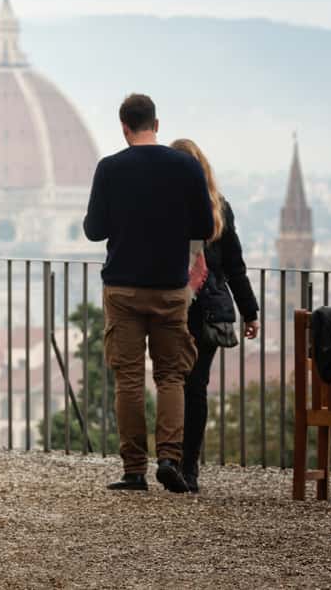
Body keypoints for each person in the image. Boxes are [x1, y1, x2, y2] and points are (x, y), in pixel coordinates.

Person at [83, 94, 214, 493]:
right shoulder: (187, 166)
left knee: (129, 380)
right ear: (156, 124)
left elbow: (94, 230)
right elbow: (206, 226)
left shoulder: (110, 168)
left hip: (122, 288)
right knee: (172, 375)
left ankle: (135, 469)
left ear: (124, 127)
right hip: (171, 288)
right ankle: (171, 459)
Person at [170, 139, 259, 493]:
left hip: (175, 307)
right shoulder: (219, 208)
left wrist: (250, 310)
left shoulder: (165, 209)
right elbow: (235, 267)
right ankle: (187, 467)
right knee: (195, 388)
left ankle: (173, 461)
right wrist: (249, 311)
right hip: (211, 311)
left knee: (172, 385)